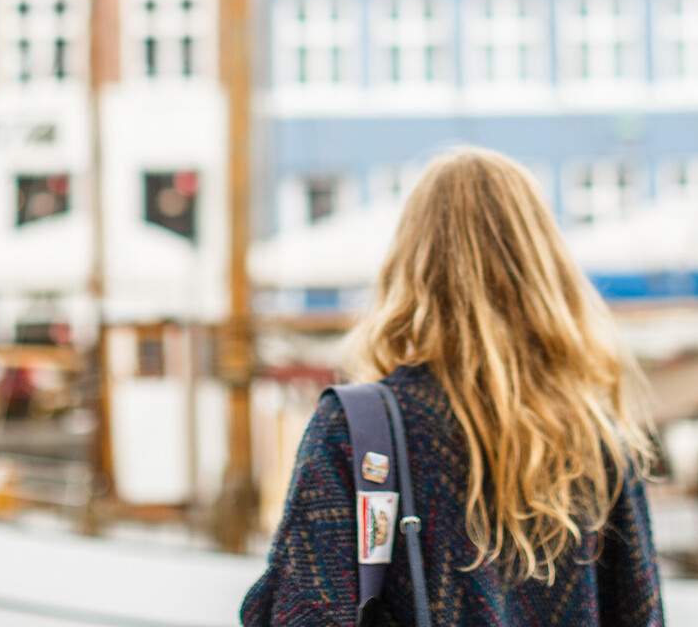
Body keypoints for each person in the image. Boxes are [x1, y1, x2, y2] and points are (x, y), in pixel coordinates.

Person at [241, 148, 663, 626]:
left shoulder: (357, 430)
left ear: (410, 266)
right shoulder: (597, 441)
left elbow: (303, 609)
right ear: (545, 271)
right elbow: (641, 613)